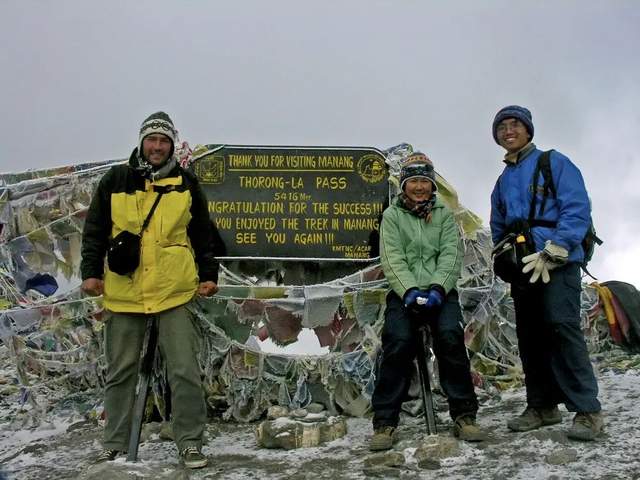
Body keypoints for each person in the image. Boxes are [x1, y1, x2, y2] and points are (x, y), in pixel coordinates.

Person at [81, 111, 219, 468]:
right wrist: (90, 273)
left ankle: (190, 442)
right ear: (142, 141)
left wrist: (208, 274)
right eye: (152, 140)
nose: (157, 147)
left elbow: (203, 233)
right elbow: (95, 230)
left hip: (175, 289)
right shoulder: (116, 179)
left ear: (172, 144)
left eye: (164, 141)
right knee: (121, 370)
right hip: (124, 290)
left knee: (184, 369)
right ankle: (114, 442)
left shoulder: (186, 183)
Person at [490, 105, 603, 441]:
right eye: (502, 127)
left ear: (528, 130)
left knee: (562, 329)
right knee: (530, 336)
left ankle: (587, 411)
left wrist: (559, 247)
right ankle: (542, 406)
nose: (508, 131)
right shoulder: (502, 181)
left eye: (515, 125)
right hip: (524, 266)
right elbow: (499, 225)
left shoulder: (554, 163)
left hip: (558, 262)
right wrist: (503, 256)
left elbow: (577, 206)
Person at [369, 152, 484, 451]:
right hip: (403, 292)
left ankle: (464, 415)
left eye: (424, 181)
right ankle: (385, 422)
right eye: (413, 181)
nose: (419, 187)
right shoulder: (392, 216)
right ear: (404, 185)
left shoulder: (444, 215)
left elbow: (451, 254)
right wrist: (408, 290)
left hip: (440, 292)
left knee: (450, 337)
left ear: (432, 185)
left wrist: (437, 289)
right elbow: (391, 257)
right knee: (397, 342)